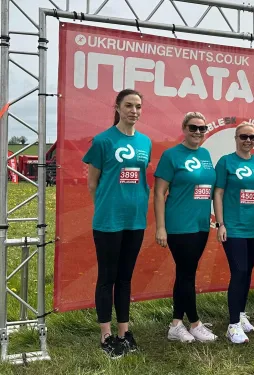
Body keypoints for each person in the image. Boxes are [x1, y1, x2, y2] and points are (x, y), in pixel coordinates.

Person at [83, 89, 152, 358]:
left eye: (138, 106)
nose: (133, 111)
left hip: (135, 220)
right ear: (117, 107)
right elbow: (93, 183)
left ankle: (124, 332)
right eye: (128, 106)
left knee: (125, 278)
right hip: (108, 221)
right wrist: (106, 205)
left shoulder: (145, 142)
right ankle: (106, 335)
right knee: (107, 278)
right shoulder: (102, 141)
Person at [154, 112, 218, 343]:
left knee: (185, 274)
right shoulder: (171, 155)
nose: (198, 133)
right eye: (193, 128)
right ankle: (195, 323)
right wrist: (161, 227)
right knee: (187, 274)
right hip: (179, 225)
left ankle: (175, 324)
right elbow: (159, 192)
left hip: (200, 224)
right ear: (184, 128)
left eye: (202, 129)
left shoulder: (206, 154)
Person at [213, 122, 254, 344]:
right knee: (239, 271)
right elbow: (217, 193)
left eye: (252, 137)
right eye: (243, 136)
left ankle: (241, 312)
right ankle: (233, 324)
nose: (248, 140)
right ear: (236, 138)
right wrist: (221, 224)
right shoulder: (226, 162)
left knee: (247, 273)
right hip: (234, 227)